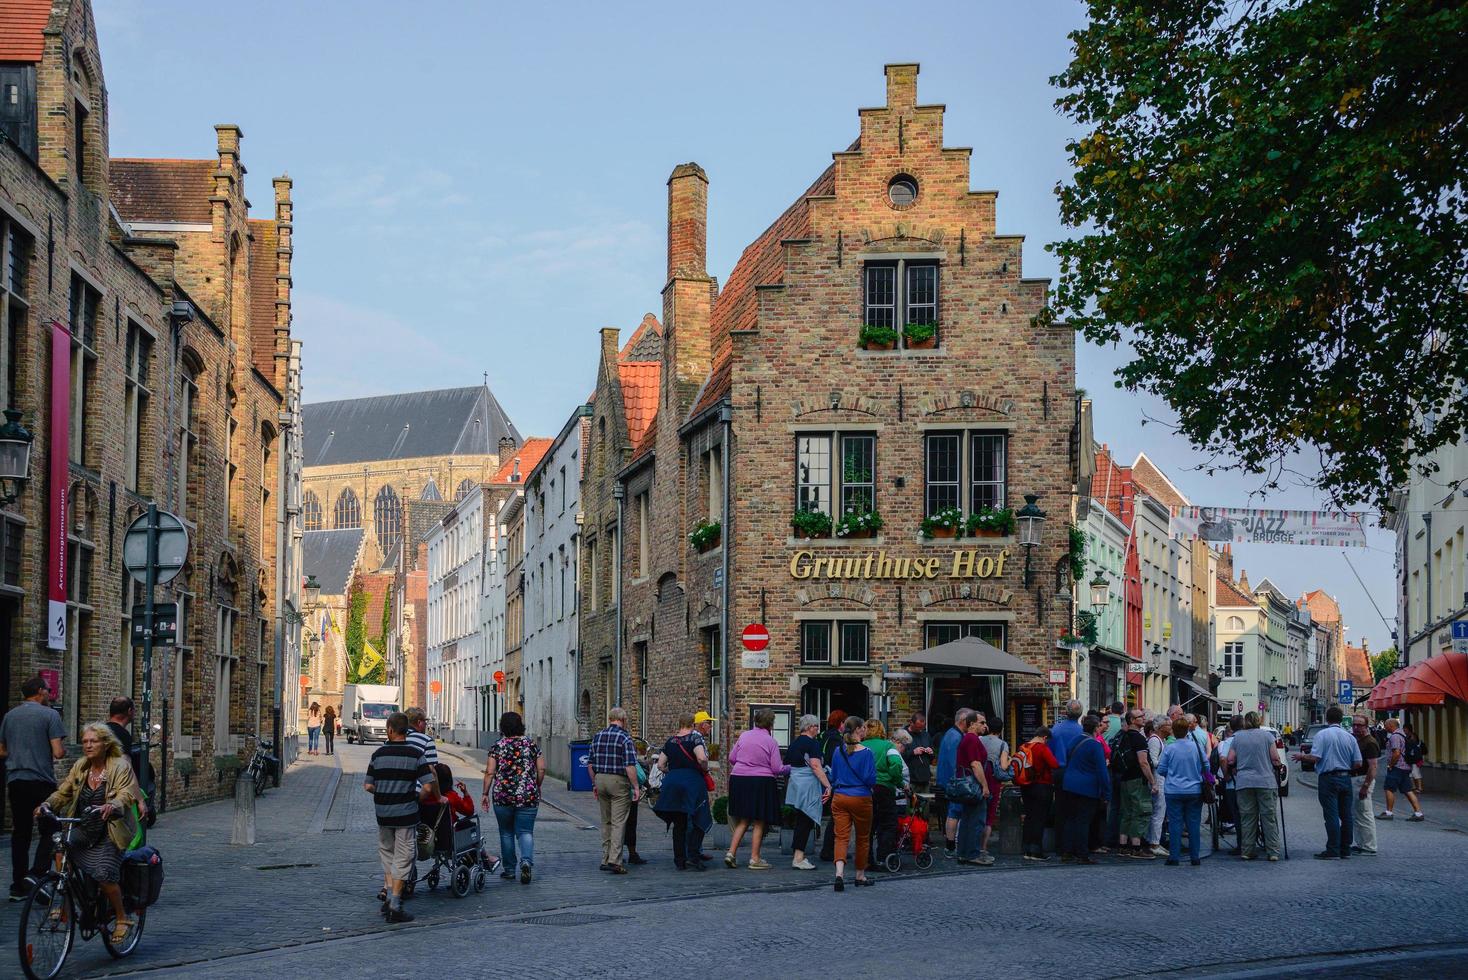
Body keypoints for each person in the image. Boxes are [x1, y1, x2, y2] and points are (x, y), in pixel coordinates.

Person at [40, 722, 141, 943]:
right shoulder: (81, 766)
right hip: (84, 828)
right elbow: (64, 792)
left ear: (105, 744)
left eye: (93, 741)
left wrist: (113, 805)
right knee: (60, 845)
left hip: (110, 830)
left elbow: (125, 794)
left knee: (104, 875)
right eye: (85, 741)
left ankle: (122, 917)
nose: (88, 745)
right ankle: (67, 902)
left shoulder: (119, 766)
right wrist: (47, 805)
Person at [364, 711, 435, 922]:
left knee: (387, 853)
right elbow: (429, 787)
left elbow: (368, 785)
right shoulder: (416, 755)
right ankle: (395, 902)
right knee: (404, 856)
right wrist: (417, 798)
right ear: (407, 730)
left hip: (383, 814)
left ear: (389, 730)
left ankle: (388, 895)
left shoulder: (377, 755)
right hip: (406, 814)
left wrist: (384, 793)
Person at [0, 675, 66, 900]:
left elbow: (2, 751)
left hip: (16, 780)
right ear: (39, 691)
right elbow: (58, 752)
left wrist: (20, 753)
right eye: (48, 690)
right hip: (41, 782)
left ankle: (17, 887)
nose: (50, 693)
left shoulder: (9, 716)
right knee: (52, 829)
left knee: (21, 833)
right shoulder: (50, 715)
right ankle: (36, 875)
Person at [1291, 704, 1361, 860]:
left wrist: (1302, 757)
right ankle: (1346, 848)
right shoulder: (1350, 737)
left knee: (1331, 815)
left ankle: (1333, 849)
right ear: (1341, 720)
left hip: (1328, 778)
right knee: (1346, 815)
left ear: (1327, 719)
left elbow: (1316, 757)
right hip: (1345, 778)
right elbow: (1358, 763)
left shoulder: (1322, 735)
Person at [483, 711, 543, 884]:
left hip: (503, 796)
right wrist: (536, 784)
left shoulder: (498, 746)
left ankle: (509, 870)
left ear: (503, 726)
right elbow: (541, 768)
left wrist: (485, 793)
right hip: (528, 795)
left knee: (506, 832)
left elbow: (490, 772)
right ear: (520, 725)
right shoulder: (530, 744)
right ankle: (526, 862)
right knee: (525, 831)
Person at [724, 709, 789, 870]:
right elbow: (776, 768)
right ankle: (755, 858)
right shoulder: (770, 741)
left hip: (739, 779)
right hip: (761, 781)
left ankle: (731, 853)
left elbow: (732, 758)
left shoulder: (744, 736)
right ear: (770, 724)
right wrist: (790, 768)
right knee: (760, 819)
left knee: (744, 819)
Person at [654, 713, 715, 871]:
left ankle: (679, 860)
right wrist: (704, 768)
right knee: (699, 819)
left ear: (679, 724)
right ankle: (693, 857)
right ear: (693, 725)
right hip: (692, 782)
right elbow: (701, 758)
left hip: (672, 783)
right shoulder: (694, 739)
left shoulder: (671, 741)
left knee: (679, 823)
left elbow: (660, 765)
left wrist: (672, 771)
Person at [586, 707, 640, 874]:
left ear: (610, 719)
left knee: (606, 821)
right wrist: (636, 786)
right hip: (618, 781)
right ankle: (615, 860)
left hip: (600, 778)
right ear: (623, 720)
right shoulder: (625, 738)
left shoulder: (598, 736)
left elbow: (590, 764)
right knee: (618, 822)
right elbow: (630, 766)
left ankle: (605, 857)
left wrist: (594, 783)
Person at [828, 716, 876, 890]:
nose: (865, 730)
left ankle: (839, 874)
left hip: (840, 796)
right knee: (862, 838)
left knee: (841, 837)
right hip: (861, 797)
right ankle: (859, 875)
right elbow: (871, 779)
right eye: (863, 727)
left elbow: (833, 776)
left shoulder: (837, 751)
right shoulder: (867, 752)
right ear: (857, 730)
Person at [1228, 712, 1282, 861]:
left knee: (1247, 818)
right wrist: (1277, 766)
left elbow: (1231, 759)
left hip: (1244, 782)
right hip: (1265, 781)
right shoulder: (1268, 737)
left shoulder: (1237, 737)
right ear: (1259, 721)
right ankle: (1273, 851)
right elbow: (1275, 759)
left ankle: (1247, 850)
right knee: (1269, 818)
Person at [782, 714, 832, 870]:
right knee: (806, 820)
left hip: (795, 784)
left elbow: (788, 764)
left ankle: (798, 855)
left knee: (801, 819)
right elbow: (816, 766)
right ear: (810, 727)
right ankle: (798, 857)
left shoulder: (794, 743)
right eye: (816, 726)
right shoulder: (812, 744)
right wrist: (828, 785)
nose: (818, 729)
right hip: (808, 785)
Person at [1059, 714, 1109, 865]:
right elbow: (1102, 771)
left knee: (1071, 818)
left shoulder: (1074, 740)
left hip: (1069, 783)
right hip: (1087, 787)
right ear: (1095, 728)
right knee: (1083, 821)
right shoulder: (1095, 745)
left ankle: (1067, 851)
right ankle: (1082, 853)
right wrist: (1107, 793)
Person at [1155, 717, 1205, 866]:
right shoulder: (1196, 747)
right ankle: (1195, 856)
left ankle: (1174, 856)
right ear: (1187, 730)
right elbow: (1206, 766)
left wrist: (1171, 775)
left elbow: (1161, 769)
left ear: (1174, 732)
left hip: (1173, 790)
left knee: (1175, 824)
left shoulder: (1170, 748)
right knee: (1193, 824)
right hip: (1194, 789)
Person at [862, 718, 904, 868]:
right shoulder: (888, 746)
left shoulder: (860, 746)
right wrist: (898, 781)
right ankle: (884, 857)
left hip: (864, 790)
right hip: (884, 788)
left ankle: (866, 860)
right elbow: (896, 763)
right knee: (887, 824)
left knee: (867, 826)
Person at [1113, 708, 1156, 859]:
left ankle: (1123, 846)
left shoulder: (1122, 736)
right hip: (1137, 779)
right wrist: (1153, 781)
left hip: (1124, 778)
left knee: (1126, 812)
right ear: (1132, 720)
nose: (1143, 718)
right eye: (1140, 716)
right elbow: (1143, 762)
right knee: (1140, 811)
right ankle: (1136, 847)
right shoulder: (1138, 738)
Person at [954, 710, 994, 866]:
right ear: (971, 724)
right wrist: (984, 786)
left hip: (968, 785)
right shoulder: (972, 739)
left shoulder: (968, 739)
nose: (985, 725)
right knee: (976, 820)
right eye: (982, 722)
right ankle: (972, 853)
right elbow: (975, 764)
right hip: (974, 786)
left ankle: (964, 853)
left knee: (967, 819)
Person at [1015, 725, 1058, 861]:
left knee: (1029, 817)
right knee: (1039, 818)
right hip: (1042, 786)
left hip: (1026, 786)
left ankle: (1026, 849)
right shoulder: (1042, 748)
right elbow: (1054, 764)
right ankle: (1036, 851)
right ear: (1044, 737)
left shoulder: (1024, 746)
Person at [816, 709, 848, 862]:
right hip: (834, 780)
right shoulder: (837, 739)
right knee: (837, 818)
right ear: (841, 724)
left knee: (834, 817)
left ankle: (829, 849)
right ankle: (830, 850)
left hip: (823, 778)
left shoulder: (822, 736)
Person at [935, 711, 967, 857]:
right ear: (963, 720)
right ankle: (951, 846)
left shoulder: (950, 734)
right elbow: (955, 762)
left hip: (947, 780)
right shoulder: (955, 737)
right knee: (954, 812)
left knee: (952, 812)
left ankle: (951, 845)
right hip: (954, 781)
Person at [976, 712, 1008, 861]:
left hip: (979, 776)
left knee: (977, 812)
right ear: (1001, 730)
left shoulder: (980, 739)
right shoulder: (1002, 744)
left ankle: (973, 844)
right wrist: (1010, 760)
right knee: (989, 816)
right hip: (994, 780)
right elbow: (1003, 765)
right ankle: (983, 847)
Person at [1379, 718, 1424, 822]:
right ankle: (1418, 813)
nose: (1385, 727)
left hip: (1397, 767)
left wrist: (1390, 765)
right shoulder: (1403, 735)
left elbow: (1397, 753)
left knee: (1389, 788)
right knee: (1408, 790)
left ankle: (1389, 812)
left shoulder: (1395, 737)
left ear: (1391, 725)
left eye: (1386, 725)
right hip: (1405, 767)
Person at [1350, 714, 1380, 856]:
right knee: (1357, 814)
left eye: (1360, 725)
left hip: (1362, 780)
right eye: (1354, 725)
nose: (1356, 728)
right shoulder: (1358, 740)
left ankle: (1369, 846)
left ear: (1366, 726)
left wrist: (1365, 786)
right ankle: (1361, 843)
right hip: (1356, 779)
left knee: (1365, 814)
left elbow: (1373, 767)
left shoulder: (1370, 742)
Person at [1144, 717, 1168, 856]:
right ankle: (1154, 842)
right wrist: (1167, 764)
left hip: (1160, 778)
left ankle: (1154, 840)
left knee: (1159, 811)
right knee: (1158, 811)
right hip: (1157, 778)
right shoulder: (1154, 740)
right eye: (1167, 725)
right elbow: (1153, 761)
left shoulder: (1159, 740)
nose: (1170, 727)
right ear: (1160, 727)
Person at [902, 712, 934, 793]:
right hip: (910, 780)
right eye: (918, 727)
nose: (920, 730)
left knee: (925, 804)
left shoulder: (926, 735)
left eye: (922, 728)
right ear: (911, 723)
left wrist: (931, 752)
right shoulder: (902, 735)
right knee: (910, 805)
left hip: (925, 779)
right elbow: (898, 756)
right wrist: (913, 752)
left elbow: (932, 759)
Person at [1403, 721, 1425, 794]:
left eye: (1405, 729)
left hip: (1415, 758)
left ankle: (1419, 788)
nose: (1404, 731)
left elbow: (1413, 747)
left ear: (1408, 729)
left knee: (1416, 773)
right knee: (1411, 773)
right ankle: (1414, 787)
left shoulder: (1412, 736)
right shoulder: (1408, 736)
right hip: (1411, 758)